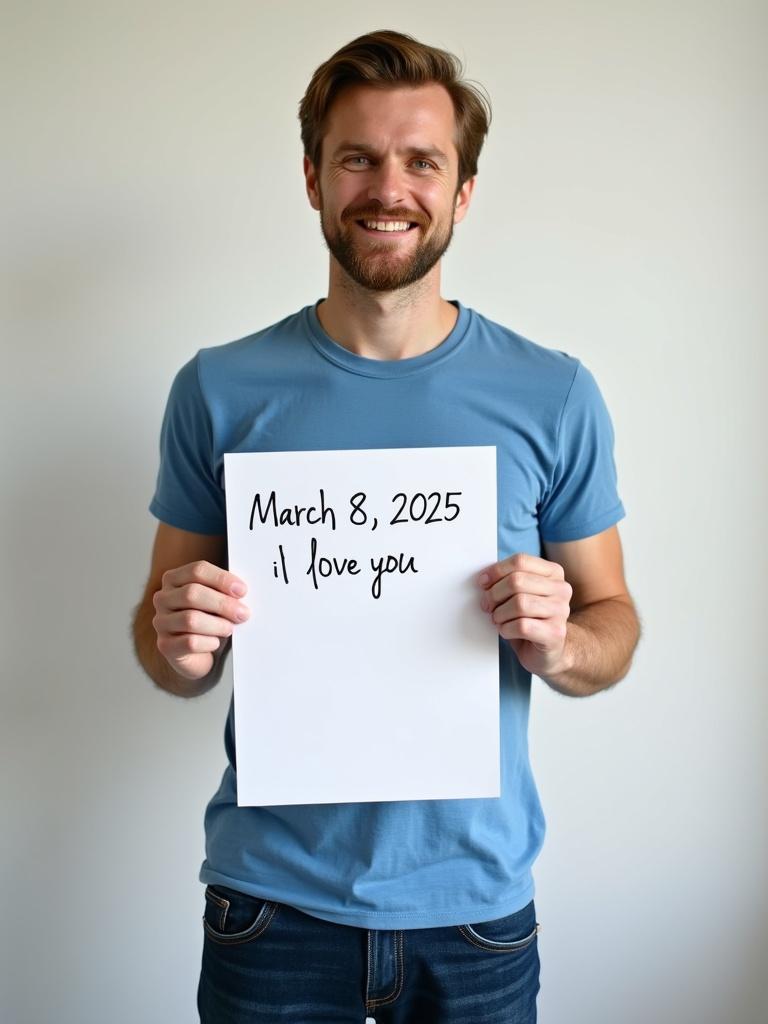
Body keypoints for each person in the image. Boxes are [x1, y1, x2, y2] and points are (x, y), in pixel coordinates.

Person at [132, 28, 640, 1024]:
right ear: (314, 179)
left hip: (478, 909)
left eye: (423, 161)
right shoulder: (219, 389)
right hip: (270, 906)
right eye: (358, 157)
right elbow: (168, 658)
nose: (389, 187)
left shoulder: (553, 394)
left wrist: (563, 639)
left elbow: (614, 625)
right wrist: (178, 639)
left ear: (463, 190)